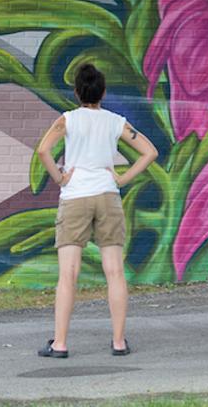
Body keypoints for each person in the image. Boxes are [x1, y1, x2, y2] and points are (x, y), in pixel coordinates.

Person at [35, 64, 158, 358]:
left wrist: (60, 176)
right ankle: (118, 341)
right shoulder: (116, 121)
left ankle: (61, 343)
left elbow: (42, 150)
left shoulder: (67, 120)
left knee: (69, 274)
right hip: (107, 195)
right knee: (115, 271)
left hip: (75, 195)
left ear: (77, 92)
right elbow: (150, 152)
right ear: (102, 92)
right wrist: (123, 177)